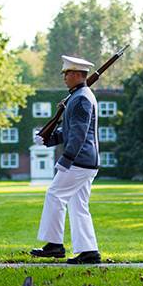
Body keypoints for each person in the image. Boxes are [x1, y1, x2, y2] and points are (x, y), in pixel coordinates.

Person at [30, 55, 101, 264]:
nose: (65, 77)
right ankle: (89, 252)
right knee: (78, 205)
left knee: (54, 195)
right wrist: (48, 138)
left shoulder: (80, 98)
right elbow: (71, 130)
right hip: (86, 160)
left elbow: (78, 134)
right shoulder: (79, 96)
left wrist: (66, 159)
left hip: (79, 160)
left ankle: (54, 245)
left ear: (78, 74)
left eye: (67, 73)